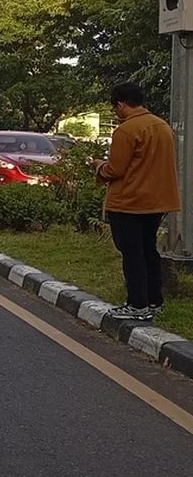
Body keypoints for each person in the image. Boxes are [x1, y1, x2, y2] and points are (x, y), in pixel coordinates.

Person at [92, 82, 180, 321]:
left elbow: (115, 169)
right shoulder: (163, 126)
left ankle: (137, 304)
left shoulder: (126, 130)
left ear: (121, 104)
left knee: (132, 253)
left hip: (129, 201)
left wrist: (99, 166)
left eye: (115, 108)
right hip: (157, 200)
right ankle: (154, 300)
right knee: (149, 250)